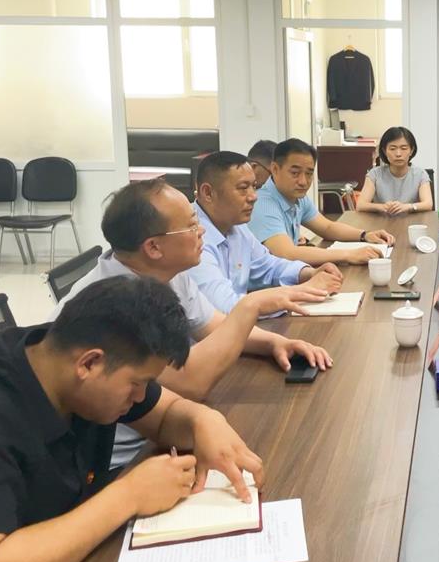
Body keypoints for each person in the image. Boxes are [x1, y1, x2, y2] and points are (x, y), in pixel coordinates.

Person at [0, 276, 264, 562]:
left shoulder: (64, 352)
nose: (141, 397)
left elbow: (166, 414)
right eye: (137, 384)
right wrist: (129, 495)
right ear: (88, 364)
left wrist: (204, 420)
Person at [50, 178, 333, 470]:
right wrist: (251, 306)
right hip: (119, 462)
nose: (202, 232)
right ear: (154, 247)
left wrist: (276, 343)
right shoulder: (114, 304)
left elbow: (214, 325)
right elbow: (191, 382)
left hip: (161, 431)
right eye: (192, 226)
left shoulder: (168, 273)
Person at [188, 151, 343, 313]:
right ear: (208, 193)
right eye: (243, 188)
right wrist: (302, 291)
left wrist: (308, 273)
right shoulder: (191, 236)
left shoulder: (236, 226)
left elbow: (268, 266)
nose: (253, 196)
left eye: (254, 187)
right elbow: (224, 306)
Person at [248, 138, 395, 265]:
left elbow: (327, 228)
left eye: (309, 173)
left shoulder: (295, 196)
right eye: (295, 173)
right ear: (275, 169)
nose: (303, 181)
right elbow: (287, 254)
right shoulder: (262, 204)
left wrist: (365, 235)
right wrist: (348, 254)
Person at [355, 126, 434, 215]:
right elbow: (360, 205)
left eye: (403, 148)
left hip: (412, 222)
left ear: (411, 150)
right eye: (392, 149)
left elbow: (428, 204)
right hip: (381, 222)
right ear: (384, 151)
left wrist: (408, 207)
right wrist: (382, 207)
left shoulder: (420, 174)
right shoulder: (375, 174)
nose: (398, 154)